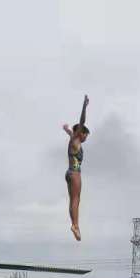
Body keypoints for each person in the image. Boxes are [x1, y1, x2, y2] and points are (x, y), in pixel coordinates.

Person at [63, 94, 90, 241]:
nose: (86, 138)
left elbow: (70, 132)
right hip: (75, 173)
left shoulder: (72, 138)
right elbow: (82, 121)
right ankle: (75, 225)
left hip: (69, 173)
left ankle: (75, 225)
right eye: (86, 135)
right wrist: (84, 106)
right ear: (82, 133)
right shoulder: (77, 139)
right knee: (76, 199)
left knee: (73, 199)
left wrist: (66, 129)